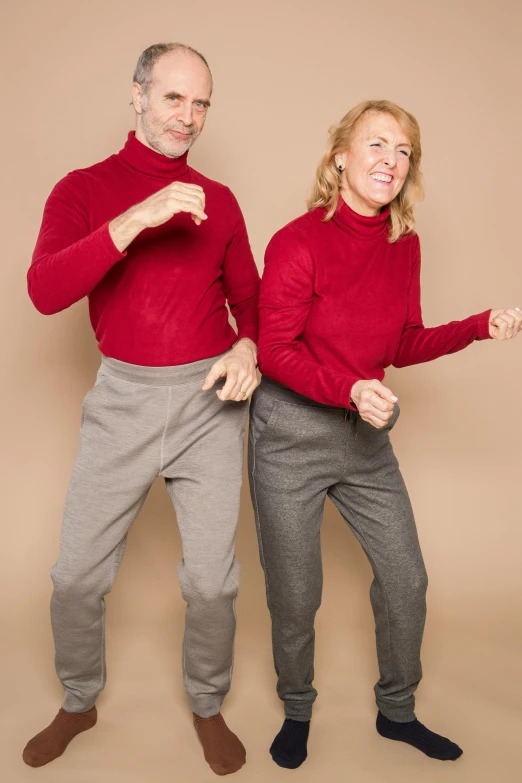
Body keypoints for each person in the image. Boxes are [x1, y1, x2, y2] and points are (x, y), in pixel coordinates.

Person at [248, 99, 521, 769]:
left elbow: (401, 339)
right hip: (289, 435)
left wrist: (478, 326)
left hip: (364, 435)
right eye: (376, 145)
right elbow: (274, 349)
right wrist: (346, 387)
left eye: (402, 152)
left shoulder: (404, 244)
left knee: (407, 580)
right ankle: (299, 706)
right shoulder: (298, 241)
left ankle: (398, 710)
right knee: (297, 592)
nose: (389, 162)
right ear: (340, 155)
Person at [23, 42, 260, 776]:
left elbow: (251, 305)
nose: (188, 117)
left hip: (208, 403)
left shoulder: (218, 200)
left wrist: (248, 346)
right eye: (173, 99)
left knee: (213, 580)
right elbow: (45, 290)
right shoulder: (81, 188)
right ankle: (80, 697)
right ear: (136, 96)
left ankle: (207, 700)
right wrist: (139, 216)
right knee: (76, 576)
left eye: (201, 104)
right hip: (121, 399)